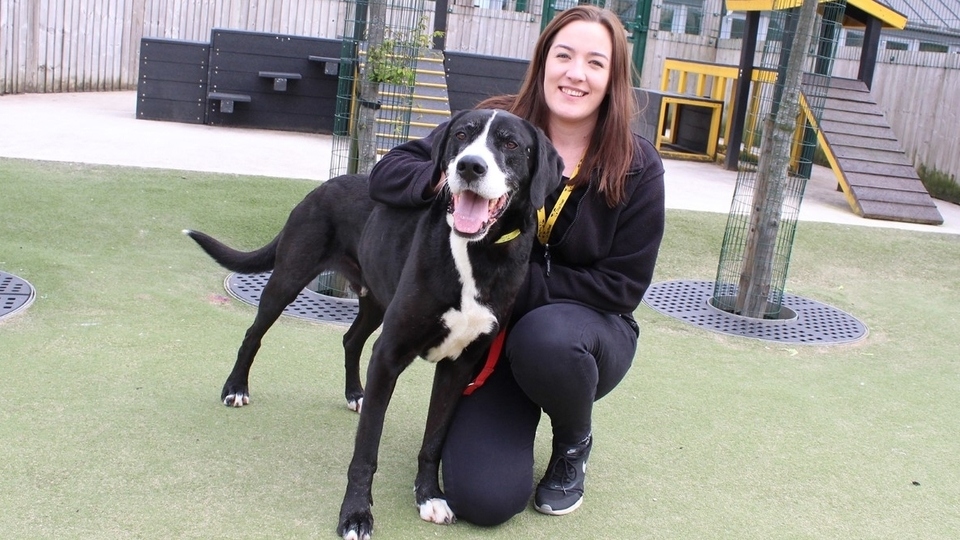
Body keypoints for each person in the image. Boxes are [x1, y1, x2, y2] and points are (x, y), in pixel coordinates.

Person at [367, 5, 665, 526]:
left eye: (595, 62)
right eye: (564, 55)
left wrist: (516, 279)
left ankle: (573, 442)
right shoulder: (490, 125)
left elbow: (621, 286)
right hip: (489, 337)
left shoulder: (635, 163)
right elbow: (392, 170)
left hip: (584, 334)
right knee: (484, 500)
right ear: (543, 61)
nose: (576, 73)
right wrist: (452, 181)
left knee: (546, 336)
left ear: (613, 78)